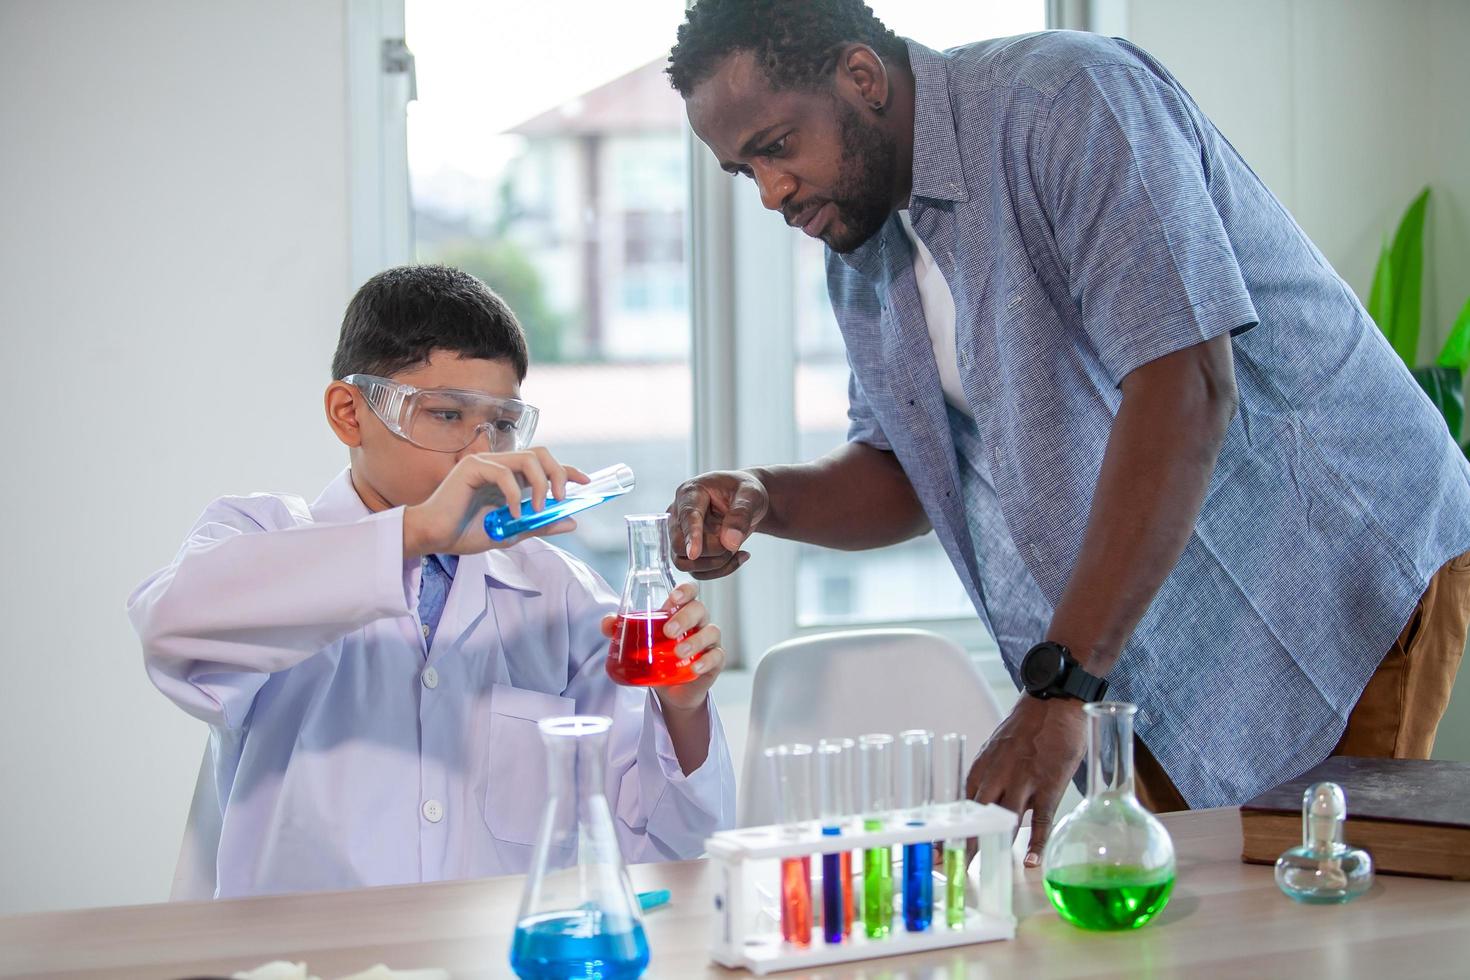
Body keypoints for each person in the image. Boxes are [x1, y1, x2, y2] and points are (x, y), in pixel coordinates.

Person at [664, 0, 1470, 866]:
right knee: (1209, 930)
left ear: (862, 79)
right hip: (1138, 644)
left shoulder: (1066, 103)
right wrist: (766, 496)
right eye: (745, 173)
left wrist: (1061, 686)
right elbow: (911, 470)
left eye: (779, 147)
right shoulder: (861, 253)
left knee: (1319, 913)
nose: (774, 193)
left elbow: (1187, 384)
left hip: (1323, 571)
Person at [129, 265, 735, 897]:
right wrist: (414, 532)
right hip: (307, 962)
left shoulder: (558, 593)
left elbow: (664, 849)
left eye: (500, 424)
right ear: (348, 413)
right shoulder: (266, 536)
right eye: (446, 415)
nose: (478, 453)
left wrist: (682, 708)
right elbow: (171, 631)